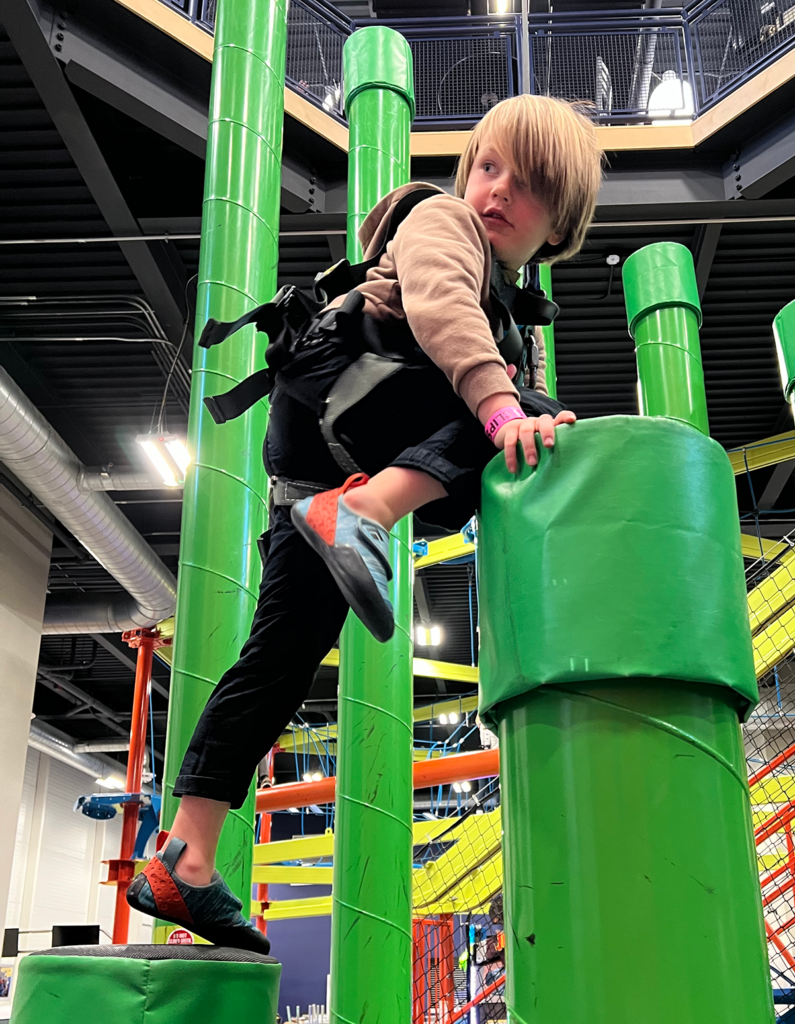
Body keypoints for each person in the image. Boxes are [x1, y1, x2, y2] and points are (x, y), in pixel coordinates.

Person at [126, 95, 603, 952]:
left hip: (318, 463)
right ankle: (367, 511)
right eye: (488, 166)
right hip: (346, 402)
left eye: (525, 185)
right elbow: (439, 311)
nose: (494, 191)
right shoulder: (441, 222)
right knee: (529, 409)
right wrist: (502, 413)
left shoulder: (512, 307)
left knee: (277, 659)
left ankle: (181, 860)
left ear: (559, 224)